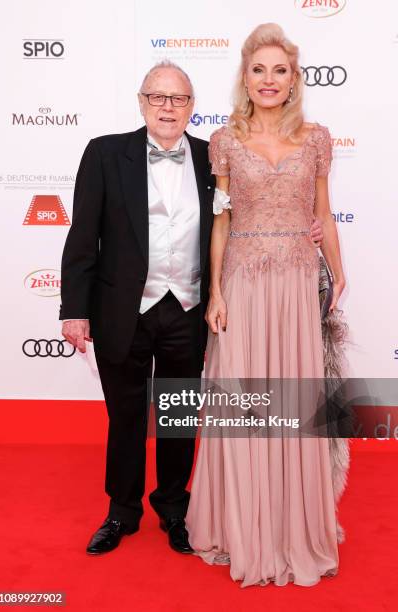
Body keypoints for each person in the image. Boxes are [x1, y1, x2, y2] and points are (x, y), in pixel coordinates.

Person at [60, 60, 323, 557]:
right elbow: (82, 237)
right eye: (157, 97)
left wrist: (304, 228)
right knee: (127, 417)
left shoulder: (214, 155)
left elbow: (254, 211)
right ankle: (122, 512)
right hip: (123, 308)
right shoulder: (103, 153)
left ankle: (174, 509)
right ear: (141, 101)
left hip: (188, 307)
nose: (167, 107)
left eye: (178, 99)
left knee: (179, 417)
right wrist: (75, 309)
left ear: (191, 106)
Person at [186, 24, 347, 587]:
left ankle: (292, 528)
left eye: (280, 70)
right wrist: (217, 291)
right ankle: (242, 527)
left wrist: (338, 268)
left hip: (297, 284)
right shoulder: (225, 141)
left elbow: (324, 213)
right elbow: (222, 221)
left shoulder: (318, 138)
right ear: (245, 77)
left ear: (293, 78)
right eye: (259, 70)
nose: (269, 80)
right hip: (246, 283)